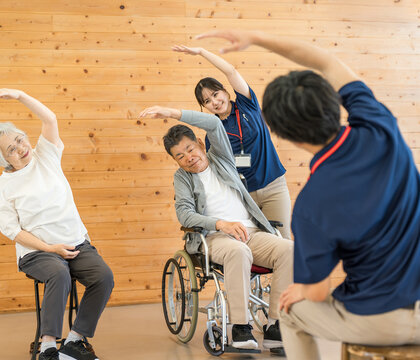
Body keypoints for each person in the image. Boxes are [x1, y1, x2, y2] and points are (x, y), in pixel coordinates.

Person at [195, 30, 420, 359]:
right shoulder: (380, 125)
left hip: (381, 320)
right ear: (332, 101)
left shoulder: (311, 204)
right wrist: (257, 38)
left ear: (284, 134)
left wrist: (298, 289)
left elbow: (316, 291)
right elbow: (326, 60)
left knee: (289, 308)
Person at [139, 105, 293, 350]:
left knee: (289, 249)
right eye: (180, 156)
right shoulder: (182, 178)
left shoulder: (222, 158)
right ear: (176, 161)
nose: (189, 157)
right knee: (238, 252)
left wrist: (171, 112)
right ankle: (240, 328)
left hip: (250, 231)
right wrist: (220, 223)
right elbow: (185, 214)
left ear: (200, 143)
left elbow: (214, 124)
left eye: (190, 149)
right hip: (214, 237)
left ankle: (275, 325)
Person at [0, 88, 114, 360]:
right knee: (59, 273)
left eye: (20, 140)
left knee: (103, 277)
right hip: (37, 253)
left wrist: (19, 95)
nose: (21, 148)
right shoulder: (3, 188)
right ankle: (48, 348)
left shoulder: (46, 156)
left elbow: (50, 119)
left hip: (77, 243)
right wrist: (50, 248)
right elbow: (12, 230)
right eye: (11, 149)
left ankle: (75, 341)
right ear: (2, 159)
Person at [172, 45, 291, 239]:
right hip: (243, 196)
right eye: (207, 101)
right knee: (252, 247)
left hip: (273, 187)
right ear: (205, 108)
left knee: (283, 242)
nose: (215, 102)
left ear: (225, 92)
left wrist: (202, 52)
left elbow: (231, 71)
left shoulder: (247, 104)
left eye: (215, 94)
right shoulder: (213, 135)